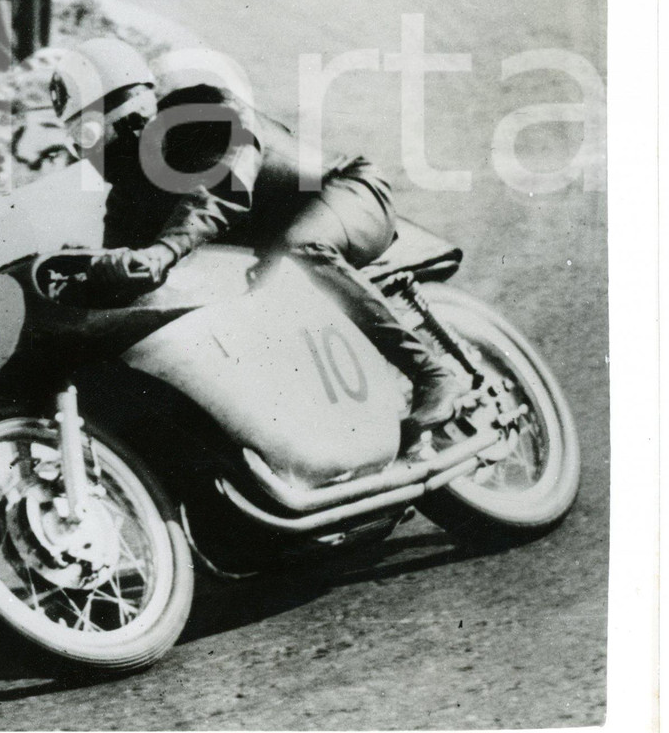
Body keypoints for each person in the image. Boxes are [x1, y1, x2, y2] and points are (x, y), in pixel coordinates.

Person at [44, 38, 470, 442]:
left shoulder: (203, 113)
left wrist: (163, 250)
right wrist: (84, 277)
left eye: (88, 135)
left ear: (129, 112)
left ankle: (432, 373)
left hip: (345, 193)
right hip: (270, 257)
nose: (87, 152)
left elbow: (221, 188)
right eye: (76, 141)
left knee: (300, 250)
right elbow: (129, 274)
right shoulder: (127, 198)